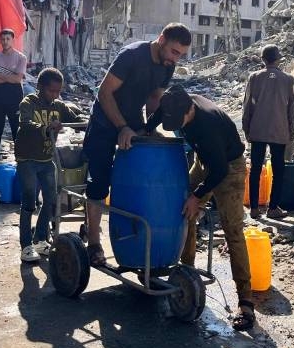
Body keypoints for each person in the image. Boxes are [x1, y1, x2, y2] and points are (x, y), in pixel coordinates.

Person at [81, 23, 191, 266]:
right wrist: (122, 127)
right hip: (104, 123)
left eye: (181, 55)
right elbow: (104, 93)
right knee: (99, 182)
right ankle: (94, 241)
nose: (176, 59)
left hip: (131, 124)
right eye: (174, 52)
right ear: (161, 39)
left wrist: (150, 130)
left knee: (135, 180)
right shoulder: (132, 55)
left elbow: (154, 99)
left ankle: (135, 236)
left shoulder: (166, 67)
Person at [156, 85, 255, 331]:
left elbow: (219, 170)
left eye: (180, 120)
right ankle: (186, 275)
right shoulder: (176, 102)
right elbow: (159, 115)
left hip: (229, 167)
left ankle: (246, 302)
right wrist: (143, 131)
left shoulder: (207, 125)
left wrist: (198, 196)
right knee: (184, 210)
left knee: (233, 231)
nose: (176, 123)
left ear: (190, 109)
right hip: (204, 160)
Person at [15, 68, 78, 263]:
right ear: (40, 87)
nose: (55, 95)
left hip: (47, 160)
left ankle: (40, 238)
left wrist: (90, 120)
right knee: (29, 202)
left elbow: (75, 119)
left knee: (51, 199)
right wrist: (46, 128)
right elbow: (25, 124)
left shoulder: (58, 106)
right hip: (27, 159)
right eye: (51, 91)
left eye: (58, 91)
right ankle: (25, 246)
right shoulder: (29, 103)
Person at [242, 44, 294, 220]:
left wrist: (247, 129)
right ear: (279, 59)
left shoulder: (254, 78)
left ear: (263, 60)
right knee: (278, 169)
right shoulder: (289, 80)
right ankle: (273, 208)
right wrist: (291, 132)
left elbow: (246, 106)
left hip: (258, 130)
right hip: (280, 131)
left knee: (256, 169)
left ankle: (254, 209)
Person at [0, 28, 27, 168]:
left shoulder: (21, 58)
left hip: (14, 98)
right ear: (0, 40)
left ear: (12, 40)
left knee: (17, 131)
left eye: (8, 39)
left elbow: (17, 79)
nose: (5, 41)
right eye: (3, 39)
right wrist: (9, 78)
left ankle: (21, 160)